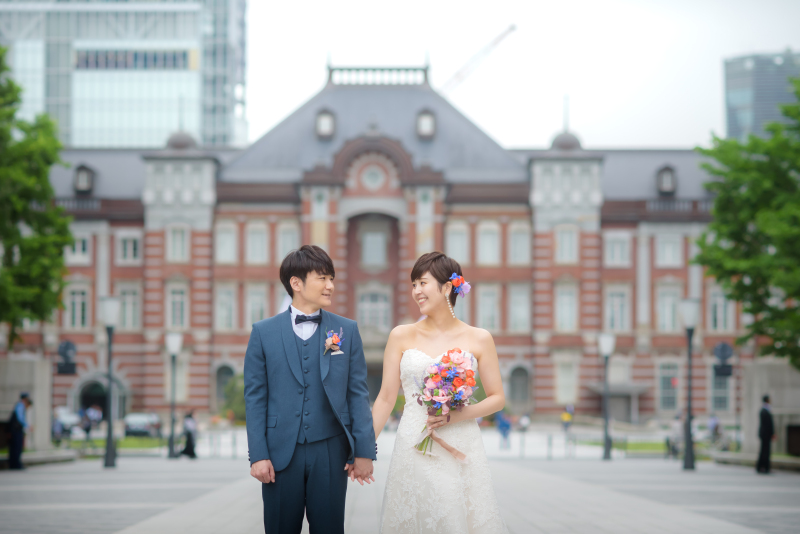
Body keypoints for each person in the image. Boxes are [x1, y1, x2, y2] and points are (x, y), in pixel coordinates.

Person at [371, 252, 508, 533]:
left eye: (423, 283)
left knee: (453, 517)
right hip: (412, 441)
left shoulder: (479, 337)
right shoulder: (401, 335)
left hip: (460, 440)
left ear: (447, 287)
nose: (416, 291)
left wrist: (456, 417)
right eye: (413, 285)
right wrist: (363, 448)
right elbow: (385, 397)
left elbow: (497, 398)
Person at [244, 245, 375, 534]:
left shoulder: (346, 330)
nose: (330, 286)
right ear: (296, 283)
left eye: (332, 278)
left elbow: (357, 394)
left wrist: (365, 451)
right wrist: (258, 454)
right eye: (323, 278)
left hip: (330, 451)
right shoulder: (263, 332)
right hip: (279, 454)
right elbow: (255, 398)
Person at [8, 392, 32, 469]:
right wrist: (27, 426)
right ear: (25, 399)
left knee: (16, 448)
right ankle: (15, 464)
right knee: (16, 447)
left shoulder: (19, 405)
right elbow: (20, 418)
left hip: (15, 430)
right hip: (16, 430)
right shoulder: (20, 406)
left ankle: (14, 464)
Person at [756, 395, 775, 474]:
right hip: (766, 435)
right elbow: (768, 424)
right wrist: (772, 433)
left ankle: (761, 467)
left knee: (764, 451)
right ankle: (764, 467)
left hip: (764, 434)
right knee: (765, 451)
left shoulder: (764, 410)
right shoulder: (765, 410)